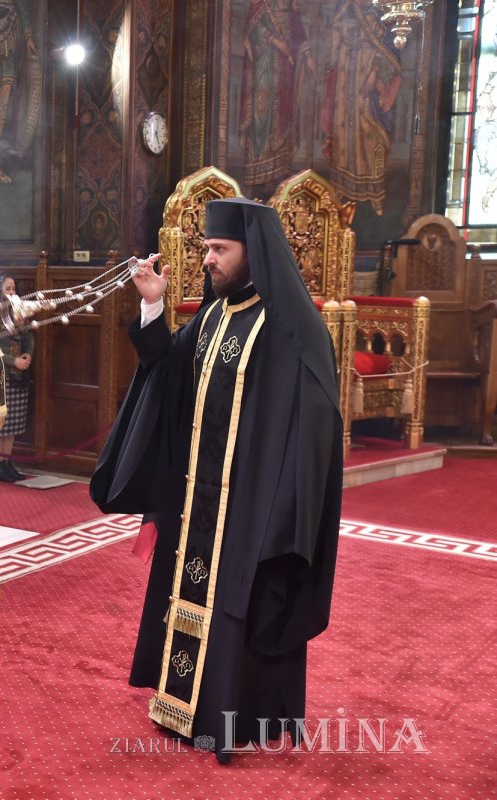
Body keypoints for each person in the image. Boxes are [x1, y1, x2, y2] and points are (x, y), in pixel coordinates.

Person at [89, 198, 342, 761]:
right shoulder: (214, 316)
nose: (208, 260)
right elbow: (169, 376)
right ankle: (186, 707)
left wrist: (281, 505)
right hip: (197, 502)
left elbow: (315, 422)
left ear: (255, 253)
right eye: (206, 249)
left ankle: (235, 716)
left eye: (219, 250)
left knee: (241, 606)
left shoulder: (289, 329)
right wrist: (154, 307)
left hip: (250, 508)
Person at [0, 275, 35, 483]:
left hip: (18, 373)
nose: (12, 292)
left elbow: (30, 337)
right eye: (8, 288)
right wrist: (12, 360)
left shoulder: (19, 312)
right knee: (0, 423)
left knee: (13, 424)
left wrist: (28, 355)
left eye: (14, 288)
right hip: (0, 373)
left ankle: (7, 462)